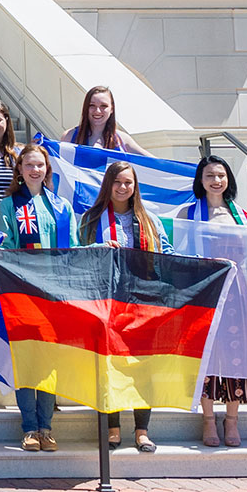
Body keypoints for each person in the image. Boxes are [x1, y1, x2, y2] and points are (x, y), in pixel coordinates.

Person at [78, 160, 172, 453]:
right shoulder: (91, 218)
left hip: (142, 300)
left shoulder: (149, 220)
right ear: (108, 184)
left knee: (142, 366)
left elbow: (167, 253)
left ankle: (142, 431)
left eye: (128, 183)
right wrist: (98, 249)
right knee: (108, 365)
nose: (122, 188)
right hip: (104, 301)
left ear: (135, 187)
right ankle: (112, 429)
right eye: (117, 182)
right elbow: (77, 254)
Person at [175, 155, 247, 447]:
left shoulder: (241, 216)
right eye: (210, 175)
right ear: (201, 180)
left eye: (221, 175)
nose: (216, 181)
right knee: (207, 353)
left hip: (236, 290)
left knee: (236, 352)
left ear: (228, 180)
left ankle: (232, 419)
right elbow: (179, 255)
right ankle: (209, 419)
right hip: (205, 291)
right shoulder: (187, 215)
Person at [0, 143, 73, 452]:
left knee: (49, 362)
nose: (35, 170)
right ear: (20, 170)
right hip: (23, 293)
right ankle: (29, 426)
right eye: (29, 165)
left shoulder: (62, 206)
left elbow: (72, 250)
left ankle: (46, 426)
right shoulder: (10, 205)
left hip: (55, 294)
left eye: (40, 165)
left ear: (47, 169)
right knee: (28, 361)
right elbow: (5, 248)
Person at [67, 85, 151, 156]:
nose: (97, 111)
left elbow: (154, 163)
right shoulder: (69, 136)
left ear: (112, 109)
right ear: (86, 108)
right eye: (92, 105)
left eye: (103, 106)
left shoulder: (122, 140)